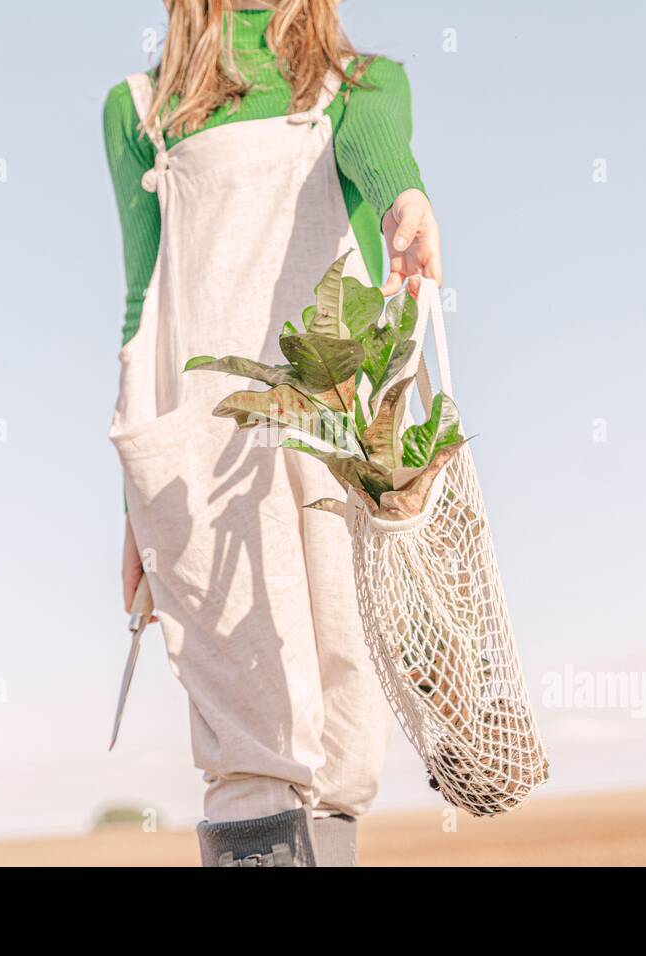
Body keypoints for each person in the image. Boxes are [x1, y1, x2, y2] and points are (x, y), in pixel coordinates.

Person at [103, 0, 442, 866]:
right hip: (202, 451)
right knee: (245, 711)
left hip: (334, 434)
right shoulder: (138, 111)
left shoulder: (362, 85)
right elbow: (143, 303)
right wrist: (134, 501)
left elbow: (380, 153)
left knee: (340, 703)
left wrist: (406, 198)